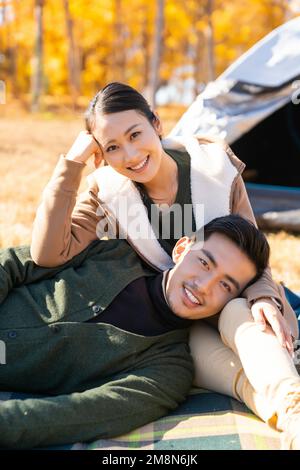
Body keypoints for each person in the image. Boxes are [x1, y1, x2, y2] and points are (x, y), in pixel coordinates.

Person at [30, 82, 300, 448]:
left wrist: (265, 296)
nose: (130, 154)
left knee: (243, 315)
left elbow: (253, 249)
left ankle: (295, 406)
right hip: (173, 330)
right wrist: (73, 165)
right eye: (111, 147)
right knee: (233, 377)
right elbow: (47, 253)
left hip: (232, 301)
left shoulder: (214, 168)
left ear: (156, 123)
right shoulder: (107, 193)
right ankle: (292, 423)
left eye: (135, 134)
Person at [0, 215, 267, 449]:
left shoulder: (169, 370)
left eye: (226, 286)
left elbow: (82, 414)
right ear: (182, 249)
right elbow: (14, 263)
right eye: (204, 263)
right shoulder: (114, 252)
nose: (204, 286)